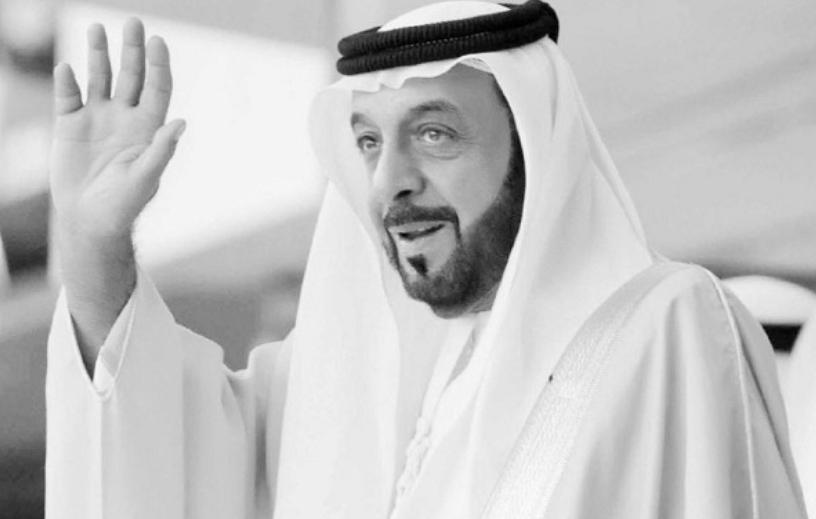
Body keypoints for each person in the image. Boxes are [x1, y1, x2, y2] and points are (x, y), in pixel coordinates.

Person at [45, 1, 806, 518]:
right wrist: (93, 244)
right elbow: (167, 463)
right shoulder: (336, 380)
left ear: (535, 149)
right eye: (369, 142)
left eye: (435, 133)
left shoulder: (664, 326)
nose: (390, 181)